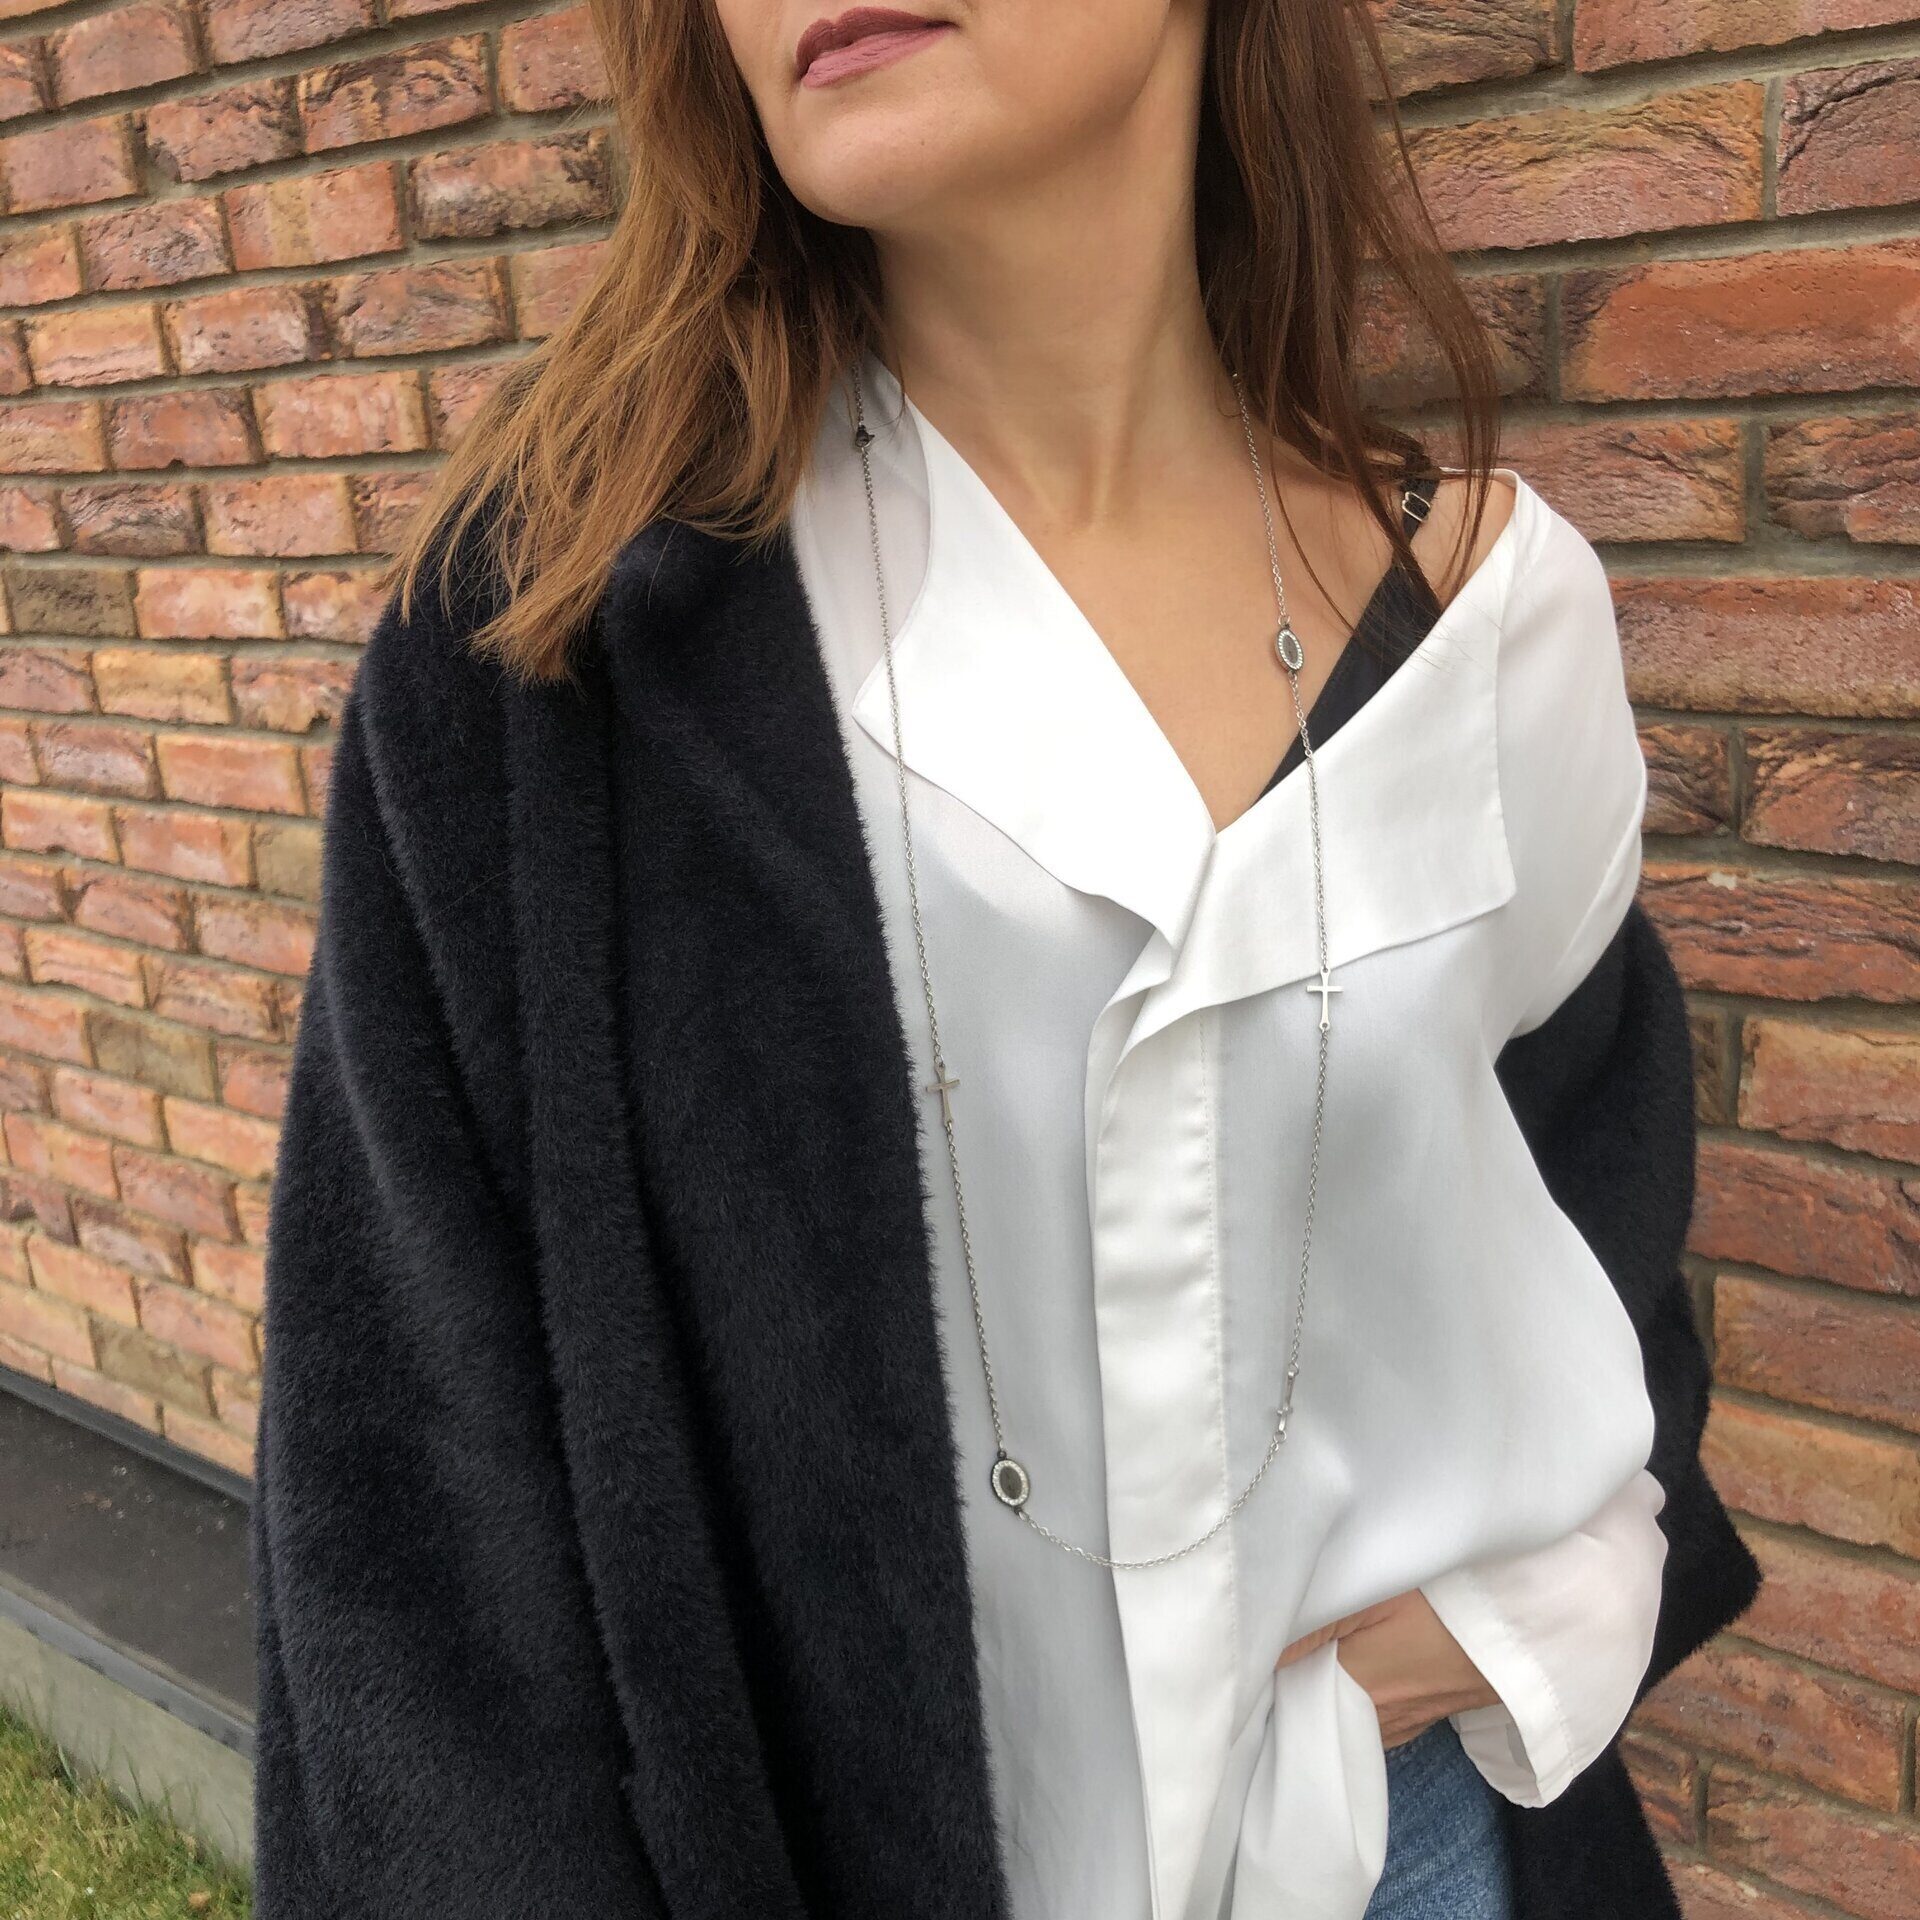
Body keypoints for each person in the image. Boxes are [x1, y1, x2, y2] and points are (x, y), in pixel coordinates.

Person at [250, 4, 1763, 1918]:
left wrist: (1521, 1616)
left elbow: (1591, 1226)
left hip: (1417, 1858)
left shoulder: (1493, 618)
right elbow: (411, 1556)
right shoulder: (549, 663)